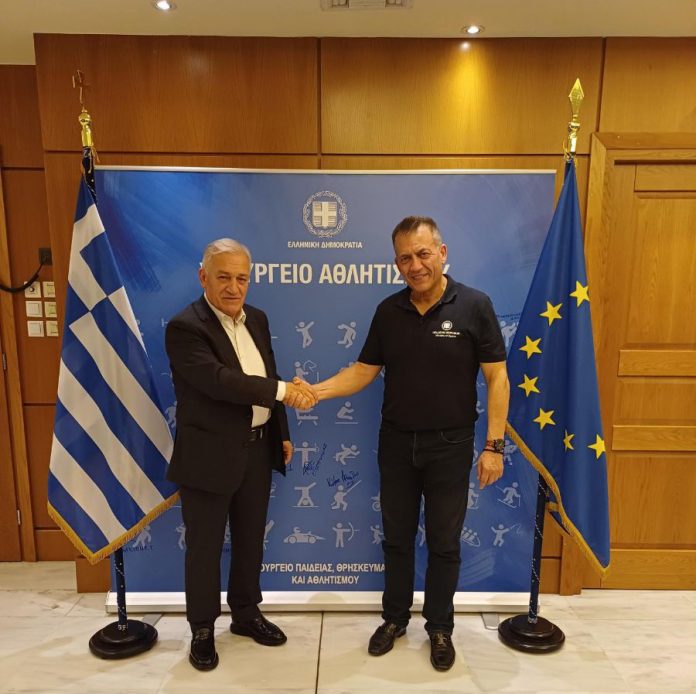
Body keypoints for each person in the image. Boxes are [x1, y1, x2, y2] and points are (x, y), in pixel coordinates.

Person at [301, 216, 509, 672]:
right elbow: (363, 371)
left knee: (444, 543)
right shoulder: (388, 311)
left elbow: (497, 377)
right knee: (396, 539)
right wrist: (316, 392)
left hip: (451, 445)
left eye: (423, 254)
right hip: (395, 443)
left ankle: (440, 628)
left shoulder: (475, 305)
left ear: (442, 253)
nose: (415, 265)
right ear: (396, 263)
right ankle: (394, 619)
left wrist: (495, 446)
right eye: (404, 258)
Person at [165, 238, 316, 671]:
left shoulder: (258, 320)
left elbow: (266, 372)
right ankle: (202, 629)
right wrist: (284, 392)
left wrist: (280, 431)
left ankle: (246, 614)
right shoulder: (185, 327)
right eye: (224, 277)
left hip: (256, 449)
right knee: (205, 547)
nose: (234, 288)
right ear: (203, 277)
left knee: (250, 539)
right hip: (208, 455)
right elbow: (219, 381)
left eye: (242, 278)